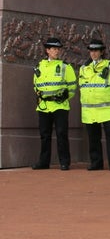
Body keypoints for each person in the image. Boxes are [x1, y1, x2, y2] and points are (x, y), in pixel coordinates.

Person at [78, 38, 110, 171]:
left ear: (102, 52)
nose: (93, 53)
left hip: (107, 108)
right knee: (93, 138)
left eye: (96, 50)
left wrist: (107, 96)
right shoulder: (84, 68)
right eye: (91, 50)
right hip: (90, 110)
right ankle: (96, 163)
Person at [31, 37, 77, 170]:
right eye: (54, 49)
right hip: (44, 107)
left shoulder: (64, 66)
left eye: (58, 49)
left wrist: (66, 97)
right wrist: (39, 94)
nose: (57, 51)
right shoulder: (39, 66)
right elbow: (36, 84)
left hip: (60, 106)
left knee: (61, 134)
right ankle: (44, 162)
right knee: (44, 136)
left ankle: (64, 162)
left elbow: (72, 86)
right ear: (47, 50)